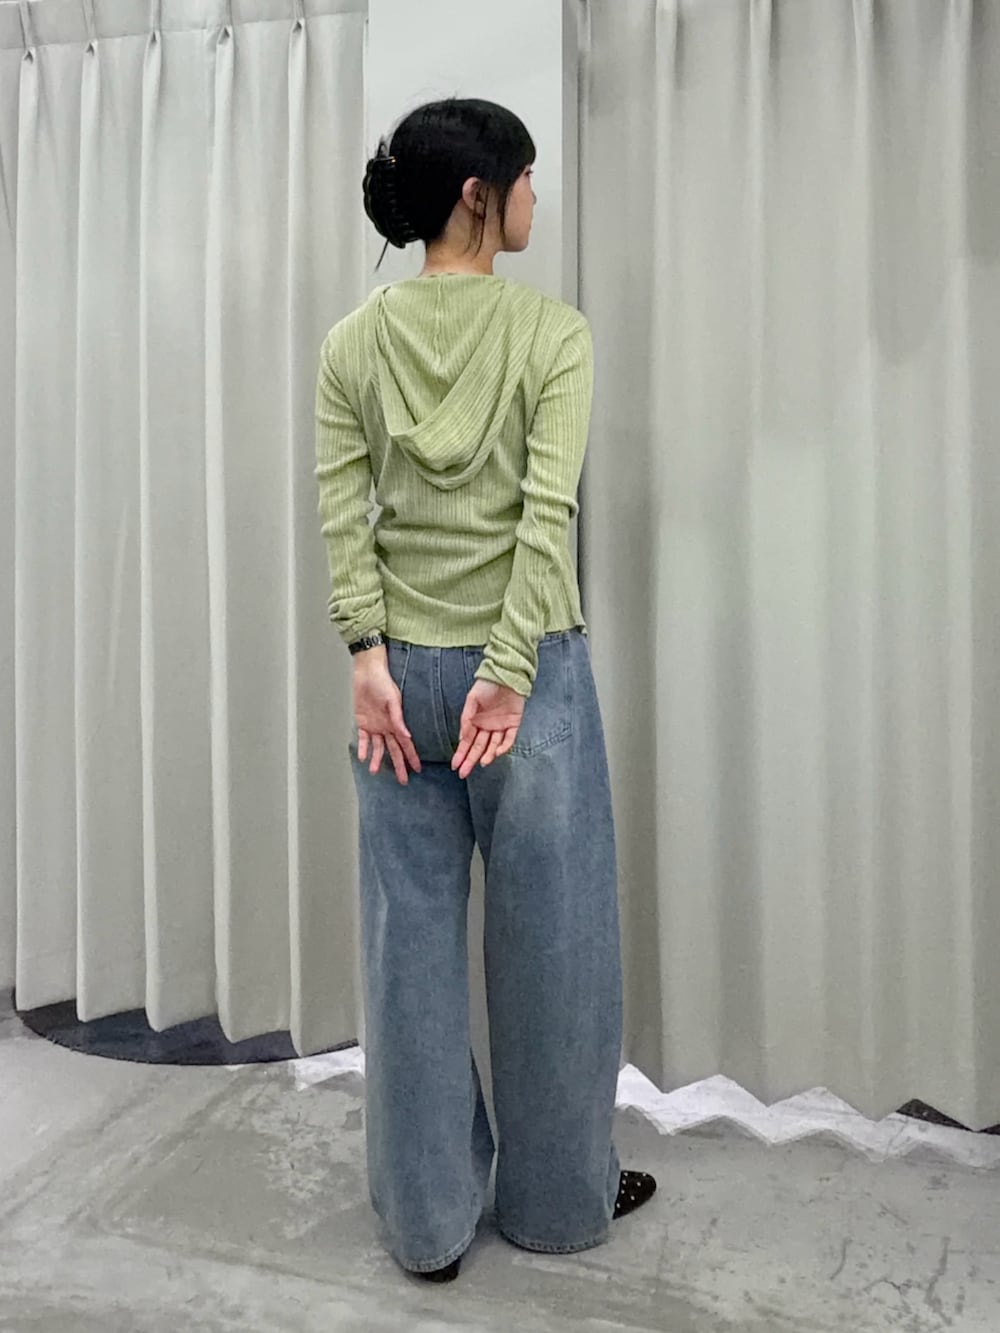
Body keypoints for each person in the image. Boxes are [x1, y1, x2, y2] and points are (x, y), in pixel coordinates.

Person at [313, 97, 655, 1284]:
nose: (533, 198)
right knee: (554, 945)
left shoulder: (351, 342)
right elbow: (542, 515)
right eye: (525, 179)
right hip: (527, 682)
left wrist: (366, 658)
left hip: (397, 684)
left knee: (406, 948)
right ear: (478, 196)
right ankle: (559, 1202)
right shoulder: (552, 334)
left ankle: (426, 1223)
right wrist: (508, 675)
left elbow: (343, 509)